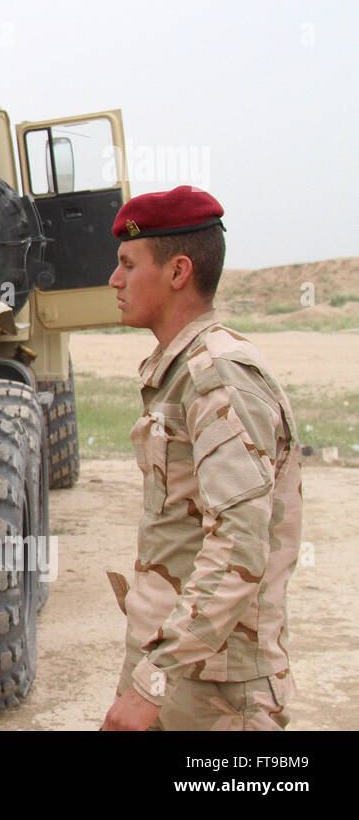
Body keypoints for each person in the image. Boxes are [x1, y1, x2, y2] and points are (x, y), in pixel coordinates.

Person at [101, 186, 302, 731]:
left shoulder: (217, 377)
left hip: (216, 686)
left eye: (127, 264)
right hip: (177, 664)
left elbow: (241, 538)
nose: (114, 280)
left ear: (178, 271)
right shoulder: (182, 371)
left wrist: (153, 682)